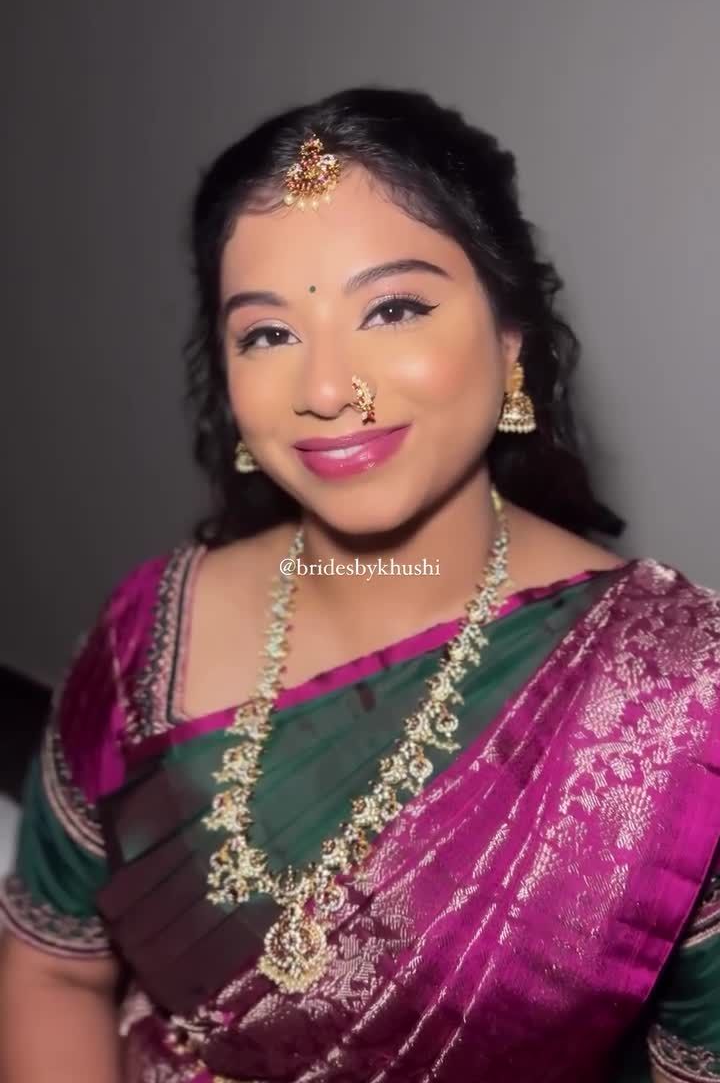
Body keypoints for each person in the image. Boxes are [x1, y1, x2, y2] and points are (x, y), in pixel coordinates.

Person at [1, 86, 719, 1083]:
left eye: (393, 308)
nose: (328, 389)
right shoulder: (145, 634)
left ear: (511, 340)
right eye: (267, 333)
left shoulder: (678, 692)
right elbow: (53, 971)